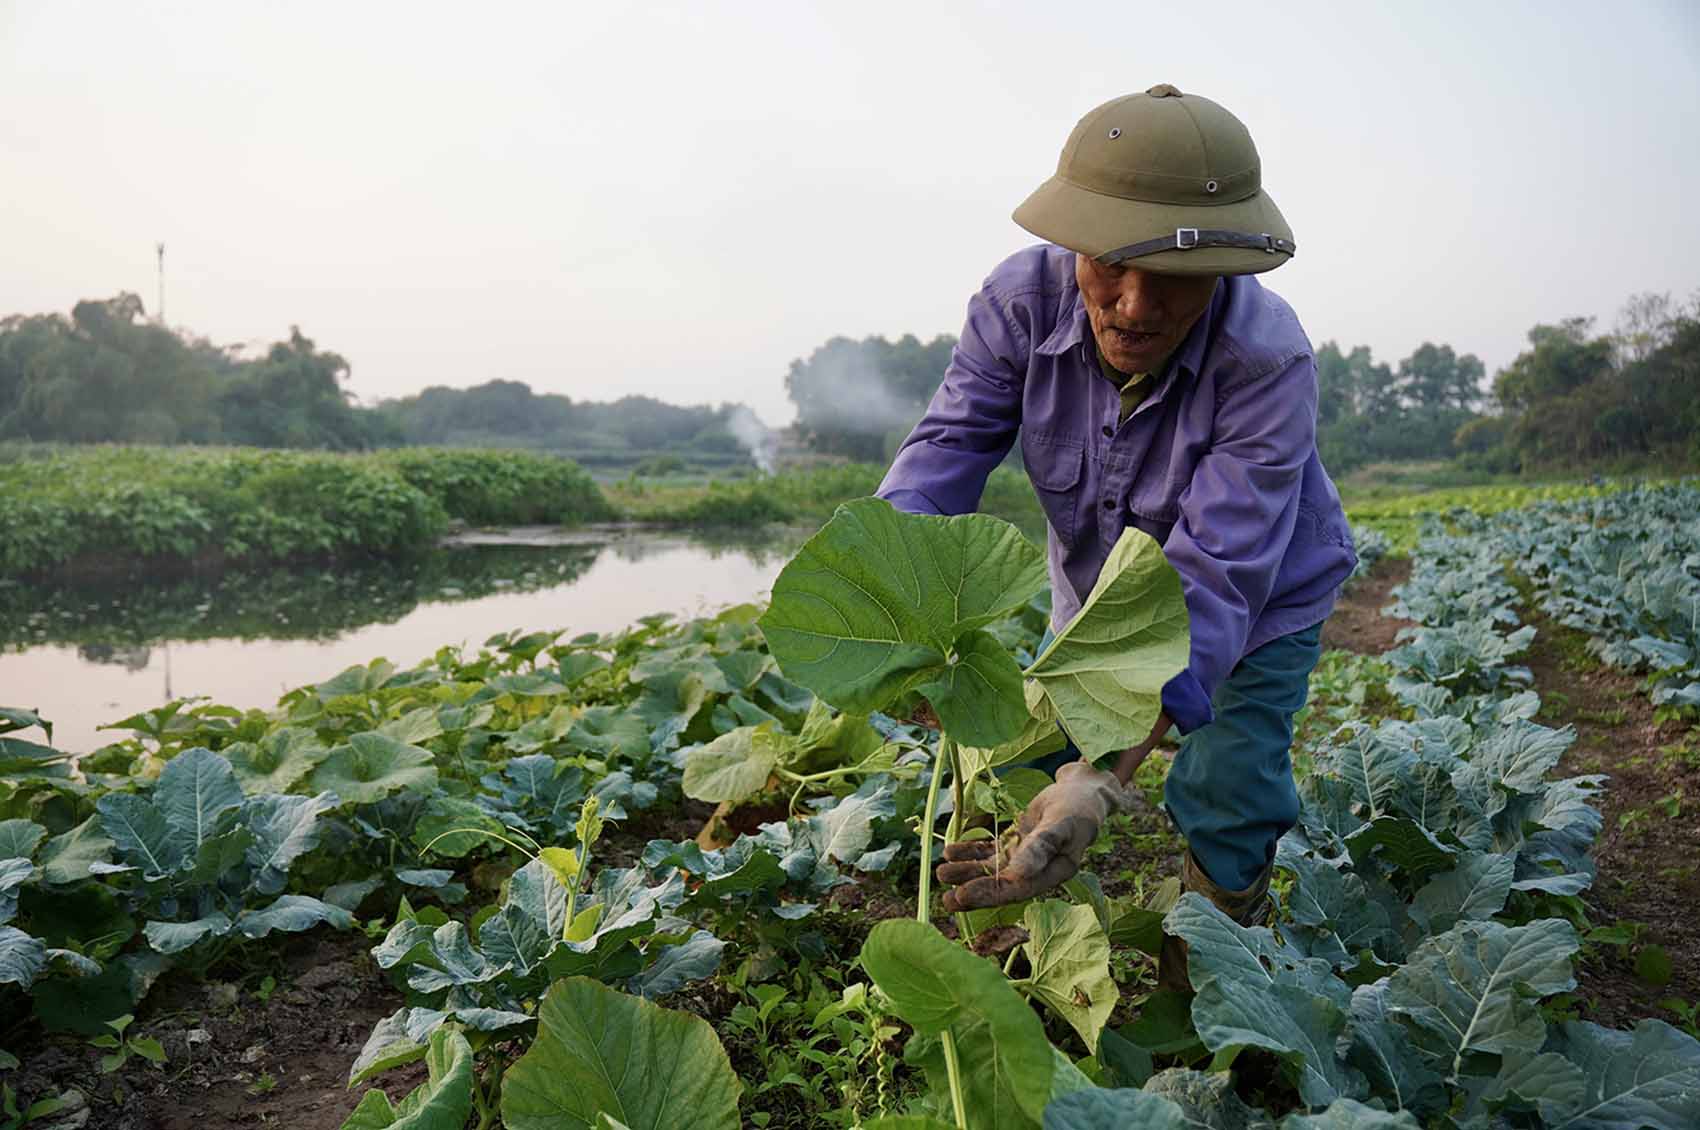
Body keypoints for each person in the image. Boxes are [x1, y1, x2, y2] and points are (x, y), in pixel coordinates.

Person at [875, 84, 1357, 989]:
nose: (1135, 306)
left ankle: (1205, 992)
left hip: (1257, 601)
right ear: (1073, 246)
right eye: (1109, 267)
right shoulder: (1018, 303)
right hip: (1095, 590)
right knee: (1038, 767)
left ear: (1224, 268)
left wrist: (1107, 777)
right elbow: (943, 455)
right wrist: (894, 617)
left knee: (1227, 785)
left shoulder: (1268, 359)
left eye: (1173, 277)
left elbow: (1214, 581)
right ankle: (1033, 963)